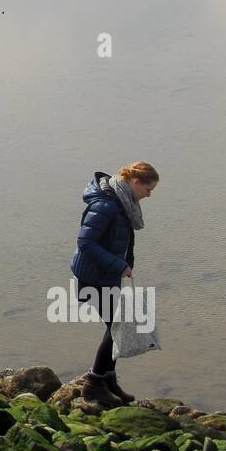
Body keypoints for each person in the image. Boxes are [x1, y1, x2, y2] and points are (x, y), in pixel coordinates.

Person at [69, 162, 159, 405]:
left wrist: (125, 263)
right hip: (94, 276)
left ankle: (108, 379)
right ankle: (94, 384)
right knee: (117, 328)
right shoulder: (106, 205)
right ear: (135, 182)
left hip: (107, 274)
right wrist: (119, 265)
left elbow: (122, 240)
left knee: (117, 326)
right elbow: (85, 243)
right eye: (148, 189)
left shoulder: (122, 202)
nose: (149, 195)